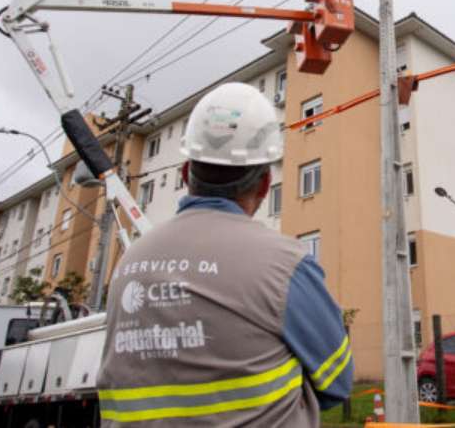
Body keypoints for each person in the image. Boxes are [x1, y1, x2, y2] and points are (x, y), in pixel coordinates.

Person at [97, 83, 353, 427]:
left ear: (187, 175)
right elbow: (337, 381)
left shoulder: (130, 263)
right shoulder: (285, 265)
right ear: (264, 185)